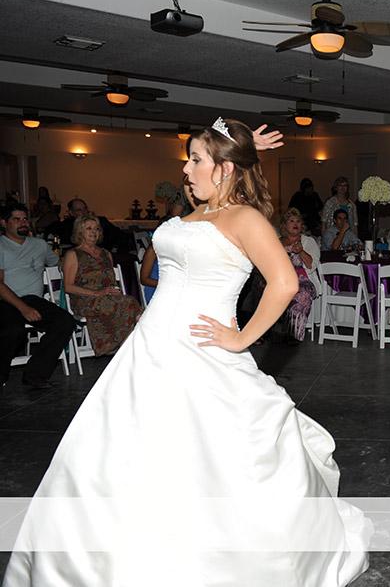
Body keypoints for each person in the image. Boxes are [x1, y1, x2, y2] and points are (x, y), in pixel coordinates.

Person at [2, 118, 370, 586]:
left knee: (200, 460)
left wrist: (240, 339)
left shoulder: (245, 218)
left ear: (223, 168)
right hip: (146, 349)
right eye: (189, 158)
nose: (186, 168)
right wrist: (238, 148)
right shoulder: (194, 214)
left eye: (196, 159)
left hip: (199, 351)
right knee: (113, 456)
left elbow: (285, 282)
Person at [0, 204, 76, 389]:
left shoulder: (39, 245)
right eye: (16, 219)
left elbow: (58, 262)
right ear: (4, 223)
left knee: (65, 321)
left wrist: (80, 256)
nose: (23, 223)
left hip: (33, 299)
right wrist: (23, 308)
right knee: (13, 331)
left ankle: (35, 373)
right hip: (6, 300)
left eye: (25, 219)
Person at [62, 216, 142, 355]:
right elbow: (68, 287)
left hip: (108, 297)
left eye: (97, 229)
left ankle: (122, 350)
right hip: (84, 299)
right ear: (80, 232)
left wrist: (114, 291)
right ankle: (125, 350)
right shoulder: (73, 254)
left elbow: (111, 281)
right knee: (129, 305)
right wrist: (97, 293)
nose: (94, 232)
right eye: (89, 228)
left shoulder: (106, 254)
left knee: (127, 303)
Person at [275, 207, 321, 342]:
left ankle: (294, 335)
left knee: (302, 294)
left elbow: (312, 266)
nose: (295, 224)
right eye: (291, 221)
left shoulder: (308, 242)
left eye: (298, 221)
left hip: (303, 280)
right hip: (280, 281)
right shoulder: (277, 242)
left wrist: (301, 251)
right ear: (284, 225)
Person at [49, 197, 130, 251]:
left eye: (85, 209)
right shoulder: (66, 226)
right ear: (71, 213)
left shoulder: (101, 221)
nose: (84, 212)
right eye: (79, 210)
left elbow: (122, 237)